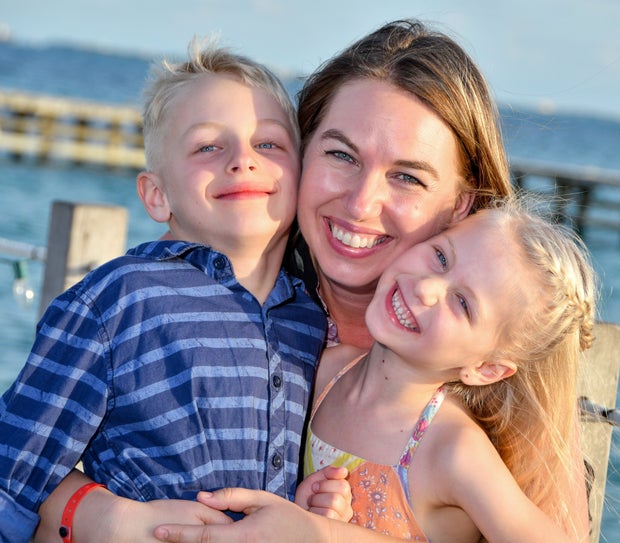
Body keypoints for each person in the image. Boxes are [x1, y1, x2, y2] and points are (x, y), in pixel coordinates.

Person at [33, 19, 590, 543]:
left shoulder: (502, 382)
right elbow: (35, 464)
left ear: (461, 205)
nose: (361, 202)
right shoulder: (250, 318)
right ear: (301, 152)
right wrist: (106, 516)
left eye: (406, 176)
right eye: (341, 155)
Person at [0, 38, 350, 543]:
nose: (242, 160)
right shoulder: (121, 300)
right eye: (208, 146)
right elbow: (15, 470)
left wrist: (305, 506)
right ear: (157, 196)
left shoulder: (309, 318)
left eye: (269, 143)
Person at [158, 195, 598, 542]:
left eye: (462, 303)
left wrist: (326, 535)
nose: (426, 288)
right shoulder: (325, 372)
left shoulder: (451, 450)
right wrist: (304, 503)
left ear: (484, 369)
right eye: (441, 257)